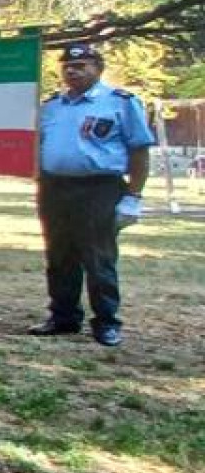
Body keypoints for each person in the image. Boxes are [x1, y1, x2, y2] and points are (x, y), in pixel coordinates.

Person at [29, 43, 153, 347]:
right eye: (67, 66)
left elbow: (139, 150)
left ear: (98, 68)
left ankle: (107, 322)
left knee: (98, 257)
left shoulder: (120, 103)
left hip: (99, 188)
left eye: (81, 65)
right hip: (55, 188)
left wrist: (133, 196)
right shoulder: (51, 106)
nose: (72, 70)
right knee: (59, 255)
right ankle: (63, 316)